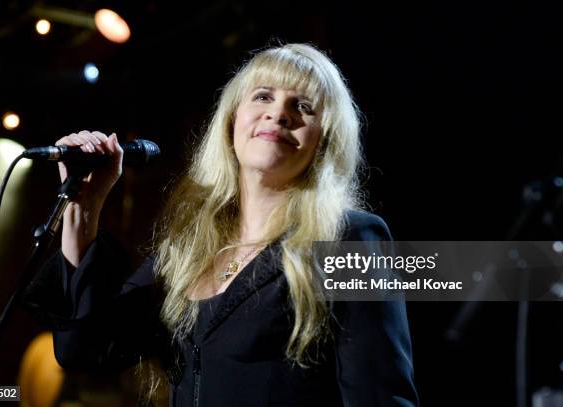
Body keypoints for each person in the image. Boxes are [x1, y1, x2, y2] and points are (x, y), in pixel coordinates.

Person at [24, 43, 419, 406]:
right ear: (232, 122)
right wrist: (84, 209)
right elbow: (86, 350)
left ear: (325, 141)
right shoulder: (189, 248)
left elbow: (380, 397)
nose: (279, 113)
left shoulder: (349, 239)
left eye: (303, 106)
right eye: (263, 96)